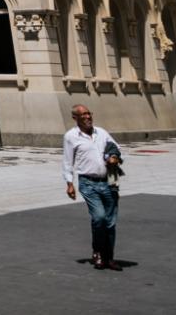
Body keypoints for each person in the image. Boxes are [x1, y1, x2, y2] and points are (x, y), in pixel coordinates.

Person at [64, 104, 124, 270]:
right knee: (99, 218)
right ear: (75, 118)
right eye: (83, 115)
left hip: (108, 182)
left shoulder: (101, 132)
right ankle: (97, 251)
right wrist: (69, 183)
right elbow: (68, 161)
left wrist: (114, 157)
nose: (88, 117)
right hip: (88, 183)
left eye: (89, 114)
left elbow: (116, 148)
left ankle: (109, 258)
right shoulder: (71, 136)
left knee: (110, 222)